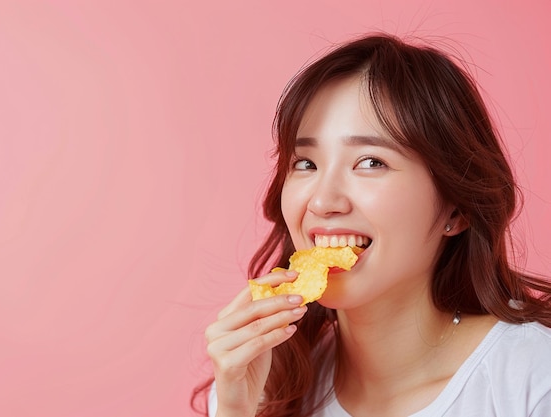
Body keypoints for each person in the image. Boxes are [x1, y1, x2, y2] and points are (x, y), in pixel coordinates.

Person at [192, 33, 551, 417]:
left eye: (370, 162)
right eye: (306, 164)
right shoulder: (259, 386)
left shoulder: (531, 378)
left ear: (456, 209)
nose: (323, 202)